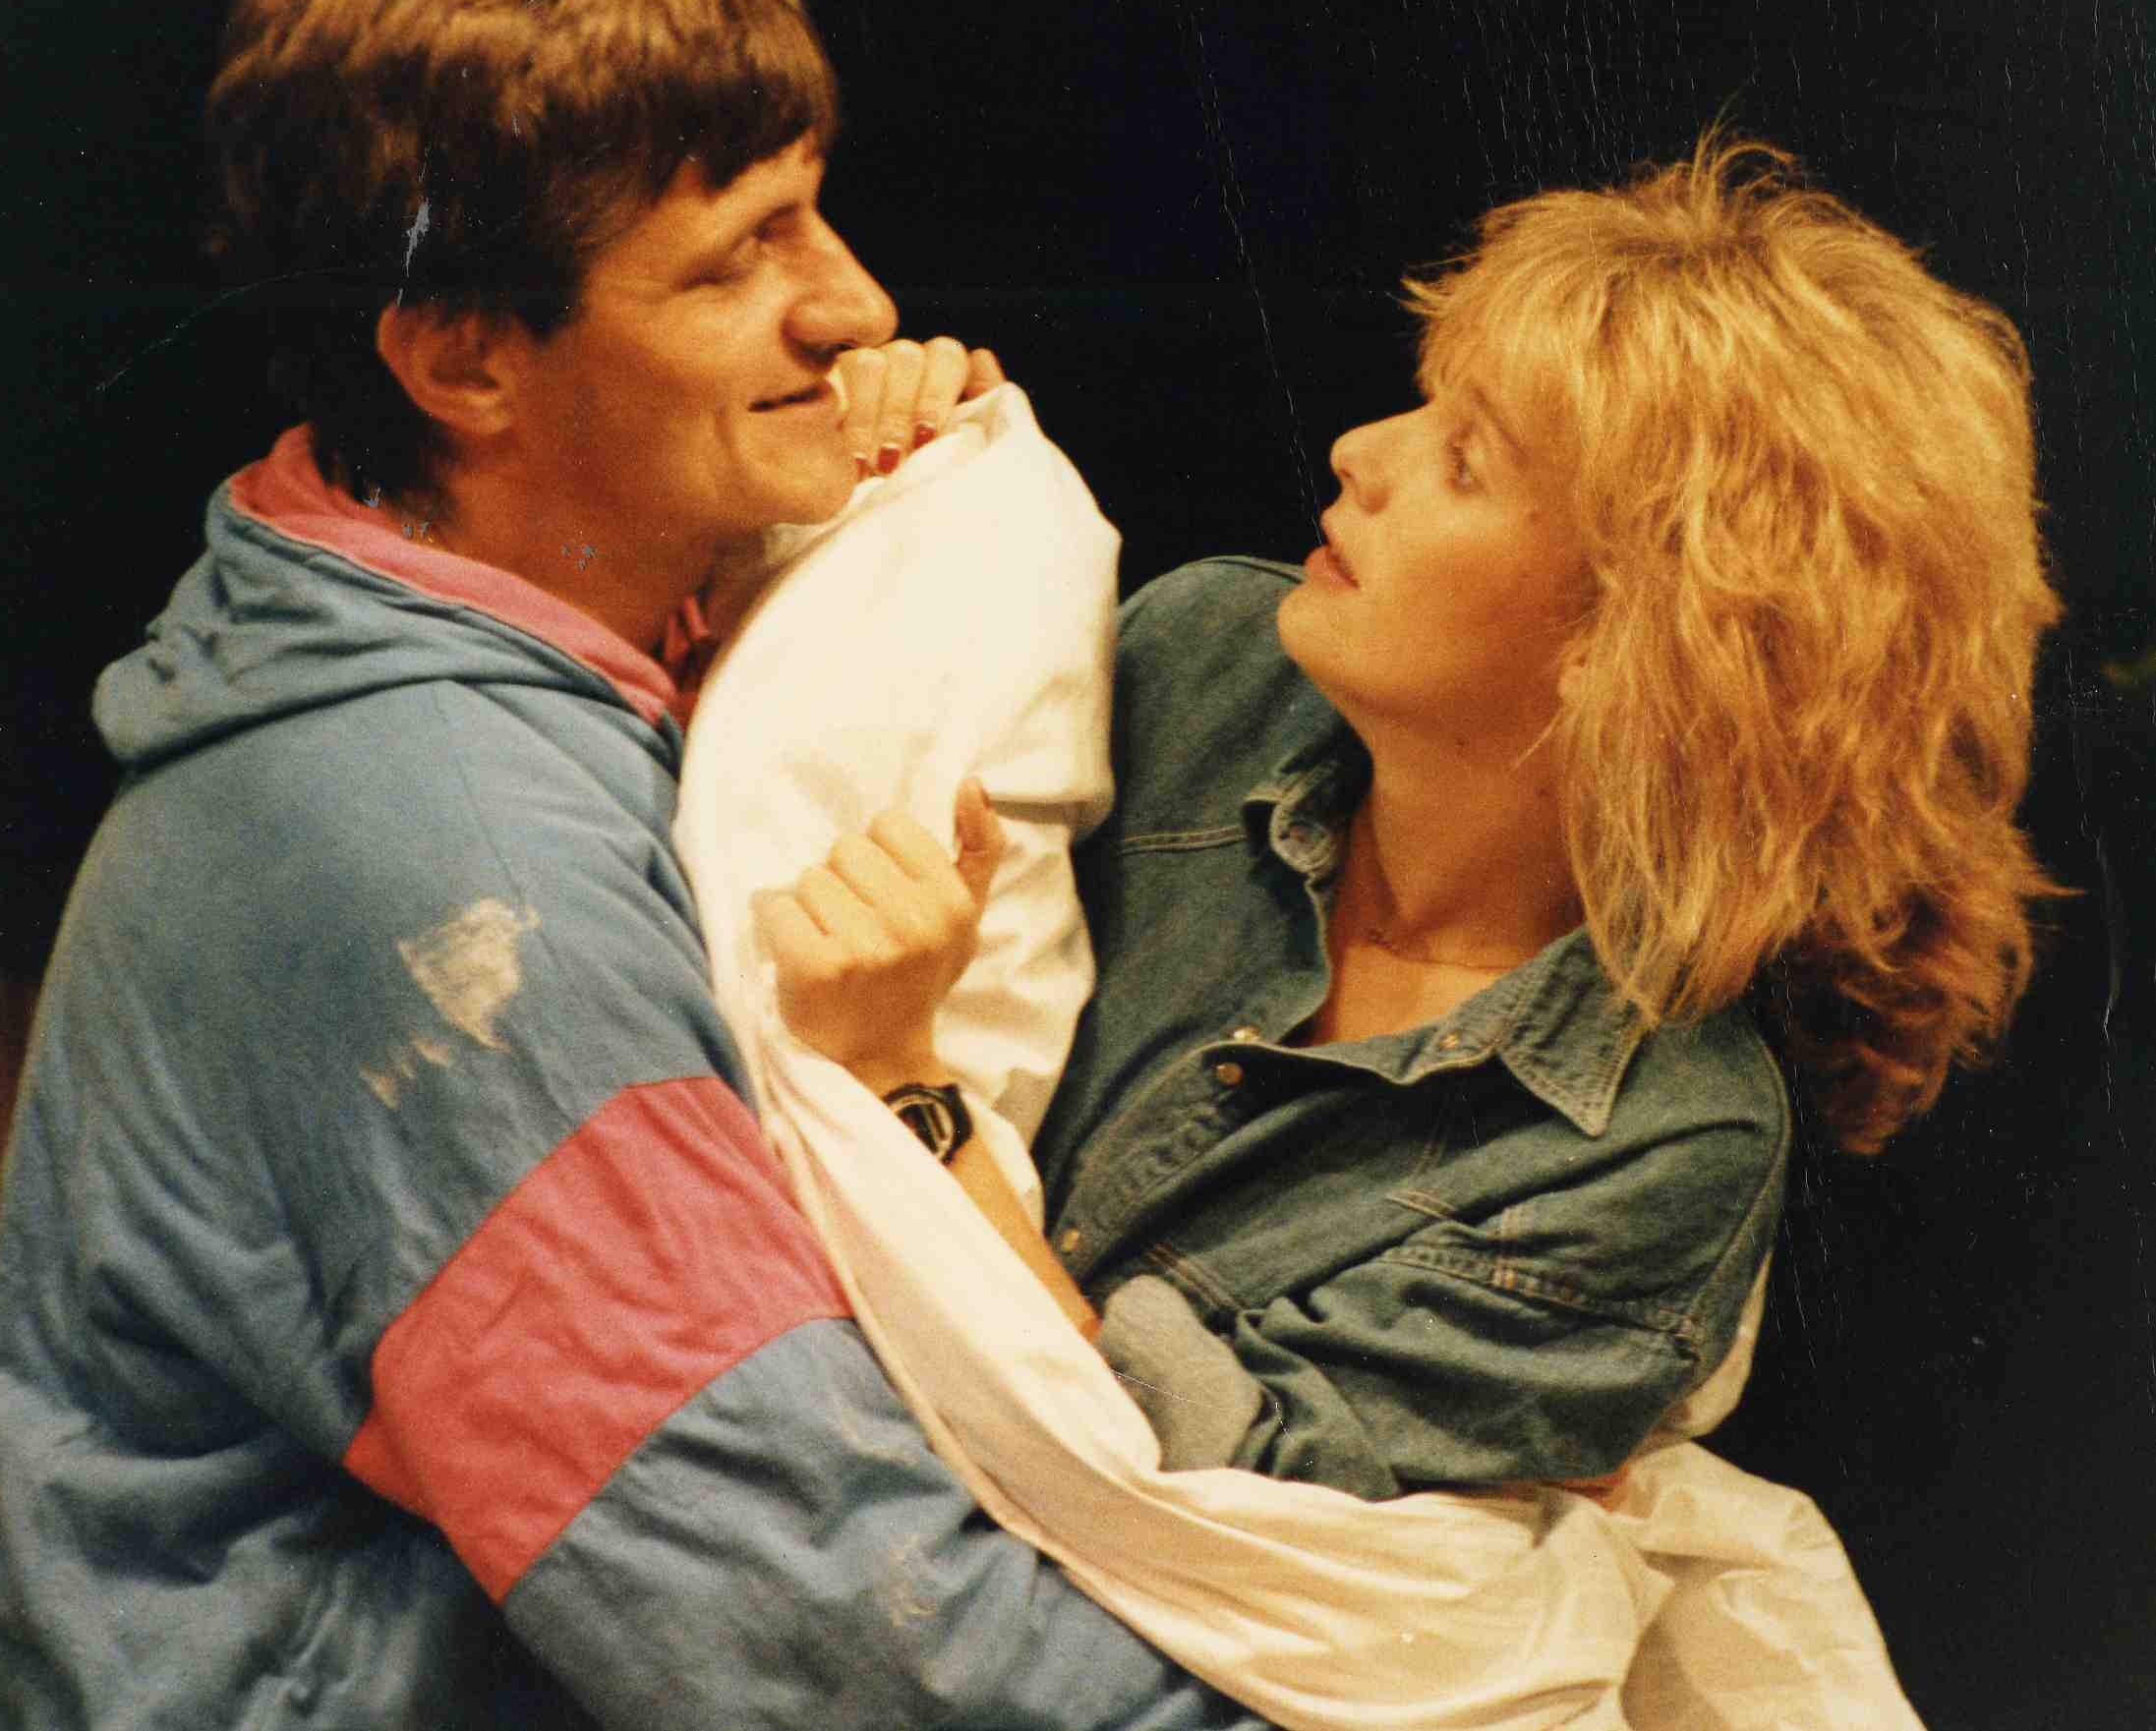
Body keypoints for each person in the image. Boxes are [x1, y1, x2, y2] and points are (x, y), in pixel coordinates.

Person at [0, 0, 1275, 1729]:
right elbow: (816, 1615)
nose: (853, 302)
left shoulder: (493, 642)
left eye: (812, 211)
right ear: (462, 358)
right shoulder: (444, 861)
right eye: (735, 259)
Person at [770, 132, 2060, 1508]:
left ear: (1641, 642)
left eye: (1465, 459)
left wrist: (902, 1088)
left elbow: (1188, 1502)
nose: (1358, 452)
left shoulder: (1656, 1147)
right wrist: (879, 483)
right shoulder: (1205, 661)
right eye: (1425, 404)